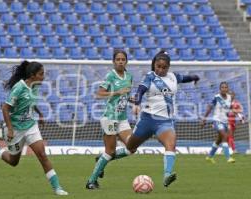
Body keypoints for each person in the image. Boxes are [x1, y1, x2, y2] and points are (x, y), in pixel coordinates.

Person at [0, 61, 68, 195]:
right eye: (41, 74)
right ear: (32, 75)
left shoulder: (35, 86)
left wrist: (40, 113)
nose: (43, 77)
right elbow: (5, 108)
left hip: (30, 126)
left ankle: (57, 187)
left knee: (42, 154)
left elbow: (30, 102)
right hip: (16, 128)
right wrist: (11, 129)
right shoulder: (19, 88)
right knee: (13, 162)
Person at [125, 50, 199, 187]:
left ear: (168, 67)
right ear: (154, 66)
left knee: (171, 145)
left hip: (165, 122)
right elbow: (140, 91)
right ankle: (107, 157)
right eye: (158, 66)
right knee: (129, 149)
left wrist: (195, 77)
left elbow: (186, 78)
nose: (160, 70)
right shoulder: (150, 76)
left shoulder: (173, 77)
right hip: (147, 119)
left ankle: (167, 175)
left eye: (164, 67)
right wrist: (136, 104)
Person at [86, 49, 134, 189]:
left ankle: (101, 159)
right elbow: (99, 94)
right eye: (118, 59)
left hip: (122, 118)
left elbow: (125, 96)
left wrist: (133, 101)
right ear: (114, 62)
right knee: (110, 151)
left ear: (126, 61)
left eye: (123, 59)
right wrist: (117, 92)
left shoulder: (129, 76)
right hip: (110, 117)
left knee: (132, 148)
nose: (120, 62)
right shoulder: (110, 76)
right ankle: (91, 182)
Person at [201, 82, 235, 164]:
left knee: (219, 140)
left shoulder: (230, 97)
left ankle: (209, 157)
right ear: (220, 89)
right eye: (222, 87)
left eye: (225, 87)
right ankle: (228, 158)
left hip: (225, 121)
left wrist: (237, 114)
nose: (224, 89)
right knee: (224, 136)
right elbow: (210, 107)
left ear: (227, 89)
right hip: (217, 120)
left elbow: (229, 108)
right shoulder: (217, 97)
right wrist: (204, 119)